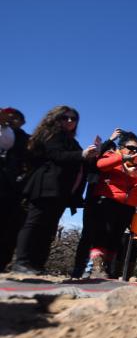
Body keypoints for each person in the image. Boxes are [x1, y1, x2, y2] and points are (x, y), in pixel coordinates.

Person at [11, 106, 98, 275]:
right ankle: (21, 262)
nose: (70, 121)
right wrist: (82, 155)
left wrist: (91, 156)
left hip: (62, 190)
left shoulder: (72, 141)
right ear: (56, 118)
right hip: (45, 184)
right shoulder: (52, 135)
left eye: (74, 119)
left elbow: (79, 161)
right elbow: (56, 155)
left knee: (49, 228)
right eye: (65, 117)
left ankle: (37, 264)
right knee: (34, 223)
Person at [88, 132, 137, 278]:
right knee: (102, 235)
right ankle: (96, 268)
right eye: (130, 148)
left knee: (116, 238)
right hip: (108, 200)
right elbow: (101, 165)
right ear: (121, 147)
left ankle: (108, 269)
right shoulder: (111, 155)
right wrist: (122, 158)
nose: (134, 152)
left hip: (128, 206)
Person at [70, 128, 123, 278]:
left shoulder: (118, 165)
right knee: (87, 235)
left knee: (104, 236)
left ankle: (95, 269)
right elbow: (96, 157)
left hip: (110, 202)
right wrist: (111, 139)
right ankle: (79, 269)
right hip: (93, 199)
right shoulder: (96, 162)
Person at [0, 107, 29, 272]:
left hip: (11, 186)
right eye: (7, 116)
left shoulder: (24, 139)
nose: (10, 119)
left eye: (15, 117)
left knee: (8, 225)